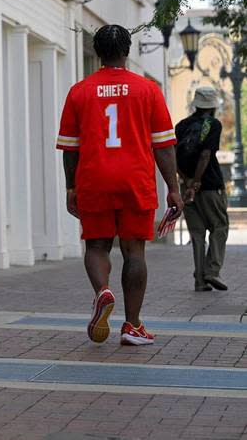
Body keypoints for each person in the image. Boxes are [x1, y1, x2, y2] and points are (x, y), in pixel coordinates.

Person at [57, 25, 184, 346]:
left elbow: (70, 148)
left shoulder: (79, 91)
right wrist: (174, 187)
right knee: (134, 252)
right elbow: (164, 146)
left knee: (97, 246)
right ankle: (133, 325)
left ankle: (103, 291)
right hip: (135, 180)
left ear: (97, 52)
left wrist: (71, 187)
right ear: (127, 51)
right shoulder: (148, 90)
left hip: (94, 178)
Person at [175, 85, 229, 292]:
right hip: (209, 186)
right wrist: (197, 182)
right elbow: (206, 155)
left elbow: (171, 155)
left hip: (186, 186)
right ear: (212, 106)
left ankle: (199, 280)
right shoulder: (213, 124)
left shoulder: (181, 126)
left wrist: (186, 180)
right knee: (219, 226)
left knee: (197, 233)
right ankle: (212, 271)